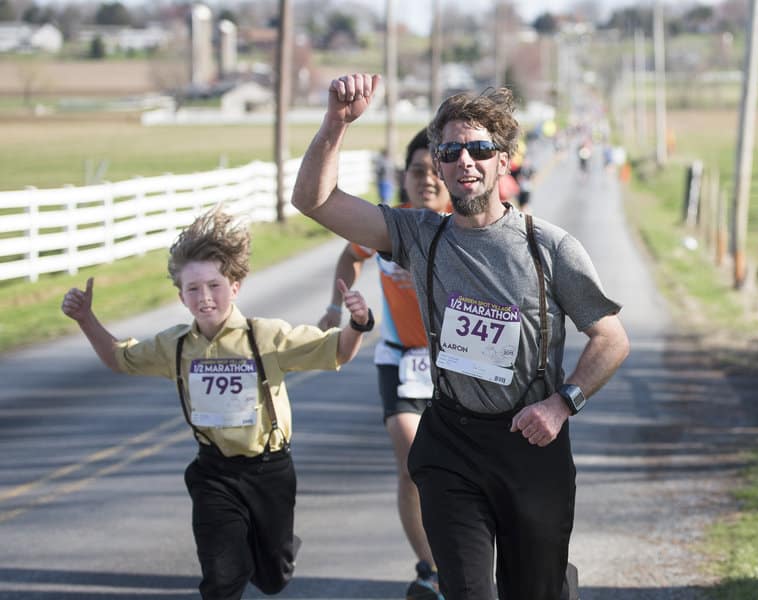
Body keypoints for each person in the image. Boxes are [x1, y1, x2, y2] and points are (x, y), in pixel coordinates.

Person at [291, 73, 629, 600]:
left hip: (531, 441)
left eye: (478, 149)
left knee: (535, 590)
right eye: (450, 151)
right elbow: (314, 201)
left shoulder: (550, 249)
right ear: (440, 165)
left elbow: (611, 339)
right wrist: (336, 123)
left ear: (502, 159)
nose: (464, 161)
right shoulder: (417, 236)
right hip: (451, 441)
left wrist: (563, 405)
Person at [61, 207, 374, 600]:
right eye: (193, 289)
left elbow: (337, 352)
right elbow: (120, 358)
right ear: (181, 296)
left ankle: (275, 549)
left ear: (236, 286)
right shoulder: (175, 346)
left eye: (214, 285)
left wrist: (358, 323)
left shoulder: (266, 337)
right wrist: (86, 319)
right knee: (222, 574)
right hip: (214, 473)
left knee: (273, 577)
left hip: (269, 470)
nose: (205, 297)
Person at [316, 129, 450, 598]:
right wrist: (336, 308)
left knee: (463, 469)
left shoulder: (465, 226)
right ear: (404, 177)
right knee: (414, 462)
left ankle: (467, 558)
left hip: (459, 366)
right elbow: (349, 254)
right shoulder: (386, 226)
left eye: (436, 171)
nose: (428, 181)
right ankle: (431, 569)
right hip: (402, 359)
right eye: (418, 171)